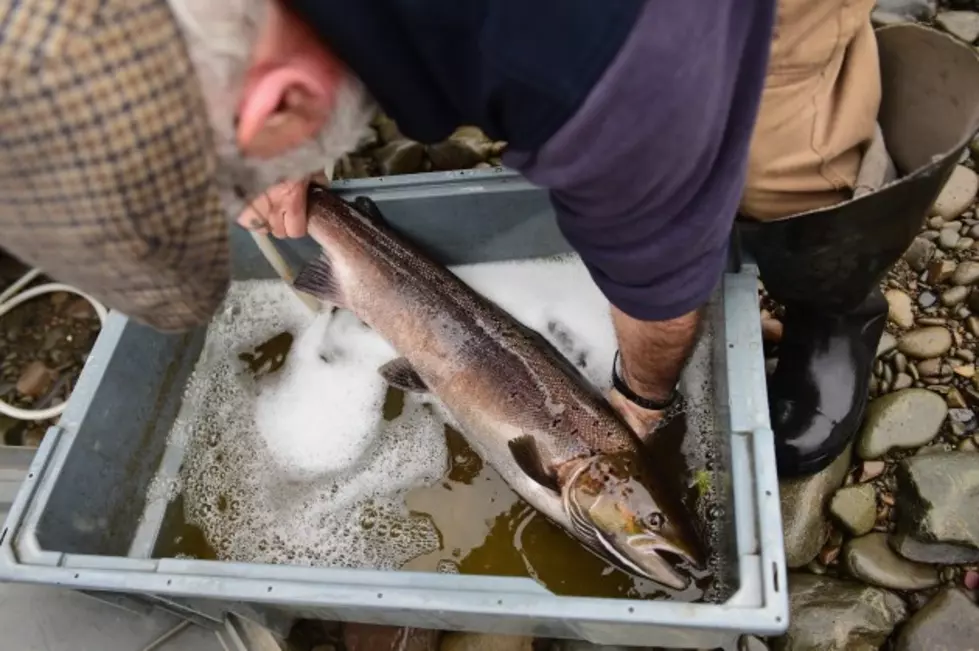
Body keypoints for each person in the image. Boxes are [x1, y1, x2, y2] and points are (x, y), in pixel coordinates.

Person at [1, 0, 977, 479]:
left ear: (277, 98)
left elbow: (659, 294)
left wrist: (638, 402)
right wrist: (273, 132)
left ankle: (837, 295)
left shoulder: (592, 65)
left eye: (235, 181)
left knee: (774, 150)